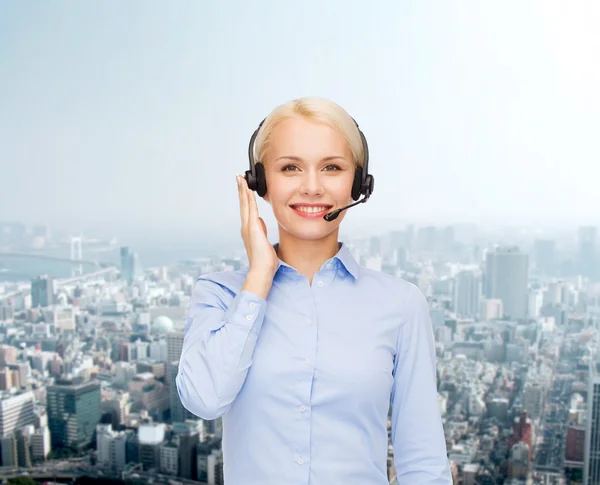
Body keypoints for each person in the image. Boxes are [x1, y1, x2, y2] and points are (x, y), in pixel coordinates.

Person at [176, 97, 452, 484]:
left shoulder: (402, 305)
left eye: (332, 168)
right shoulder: (220, 294)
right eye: (290, 167)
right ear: (260, 183)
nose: (311, 187)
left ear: (357, 183)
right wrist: (258, 279)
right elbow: (203, 399)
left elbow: (423, 462)